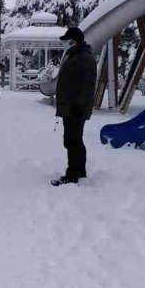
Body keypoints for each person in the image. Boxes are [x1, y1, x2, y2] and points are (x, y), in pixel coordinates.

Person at [52, 27, 96, 186]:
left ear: (73, 40)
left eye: (66, 40)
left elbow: (87, 85)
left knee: (73, 140)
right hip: (70, 107)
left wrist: (79, 106)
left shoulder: (83, 57)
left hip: (75, 108)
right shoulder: (75, 55)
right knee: (71, 140)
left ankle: (74, 173)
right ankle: (78, 171)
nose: (64, 43)